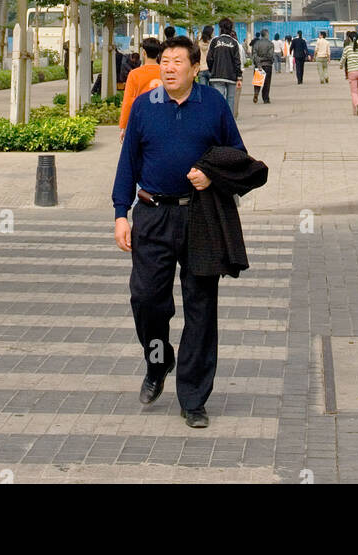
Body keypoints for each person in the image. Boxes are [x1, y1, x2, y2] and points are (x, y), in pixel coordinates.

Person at [112, 36, 261, 429]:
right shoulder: (145, 105)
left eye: (179, 61)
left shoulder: (213, 105)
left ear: (196, 68)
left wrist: (211, 175)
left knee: (201, 307)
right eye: (165, 60)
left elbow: (238, 156)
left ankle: (193, 396)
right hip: (152, 214)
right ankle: (158, 362)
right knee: (146, 298)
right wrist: (119, 213)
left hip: (200, 216)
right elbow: (128, 162)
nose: (170, 67)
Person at [119, 37, 163, 135]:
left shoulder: (135, 74)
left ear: (143, 53)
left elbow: (128, 101)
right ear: (158, 54)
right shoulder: (165, 72)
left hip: (141, 119)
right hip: (162, 118)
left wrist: (123, 125)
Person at [206, 17, 243, 114]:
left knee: (219, 99)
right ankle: (229, 122)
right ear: (231, 29)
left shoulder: (215, 41)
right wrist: (239, 76)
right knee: (230, 99)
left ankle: (219, 120)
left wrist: (212, 69)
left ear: (220, 28)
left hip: (217, 75)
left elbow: (209, 58)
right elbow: (237, 61)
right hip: (231, 76)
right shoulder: (234, 43)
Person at [251, 29, 275, 104]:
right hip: (267, 65)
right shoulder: (270, 44)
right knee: (266, 83)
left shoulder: (256, 43)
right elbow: (270, 55)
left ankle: (256, 93)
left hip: (259, 65)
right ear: (267, 34)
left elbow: (254, 55)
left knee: (258, 82)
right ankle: (266, 98)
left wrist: (258, 61)